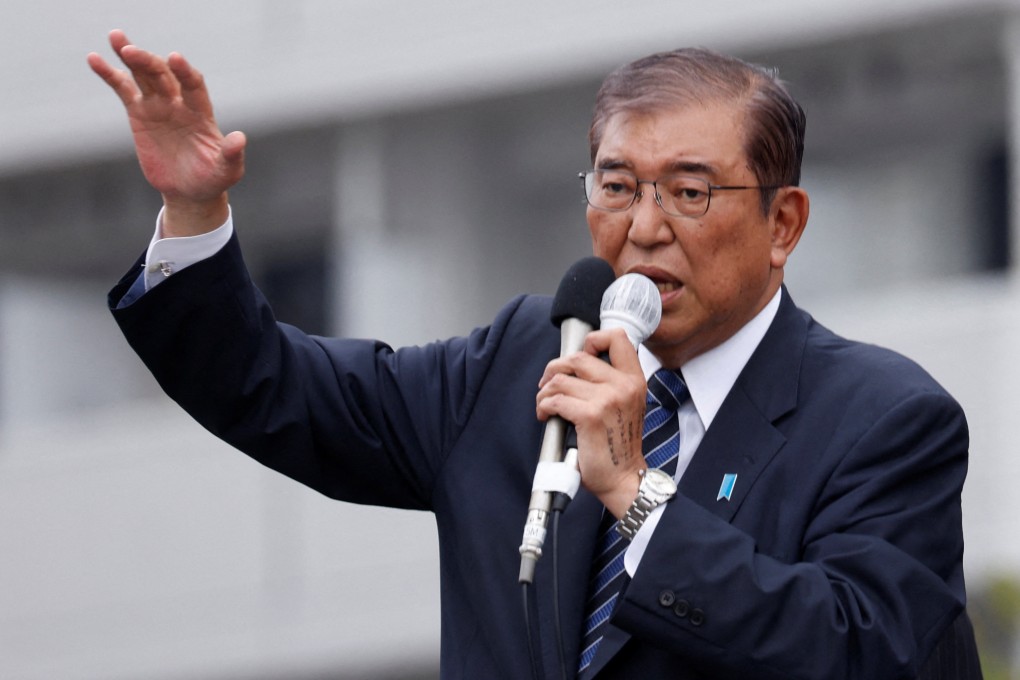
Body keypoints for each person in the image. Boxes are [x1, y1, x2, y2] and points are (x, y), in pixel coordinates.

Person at [89, 29, 981, 679]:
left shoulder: (883, 418)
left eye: (690, 192)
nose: (643, 228)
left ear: (782, 223)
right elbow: (275, 389)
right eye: (618, 186)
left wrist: (639, 496)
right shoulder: (523, 360)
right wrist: (197, 214)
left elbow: (863, 652)